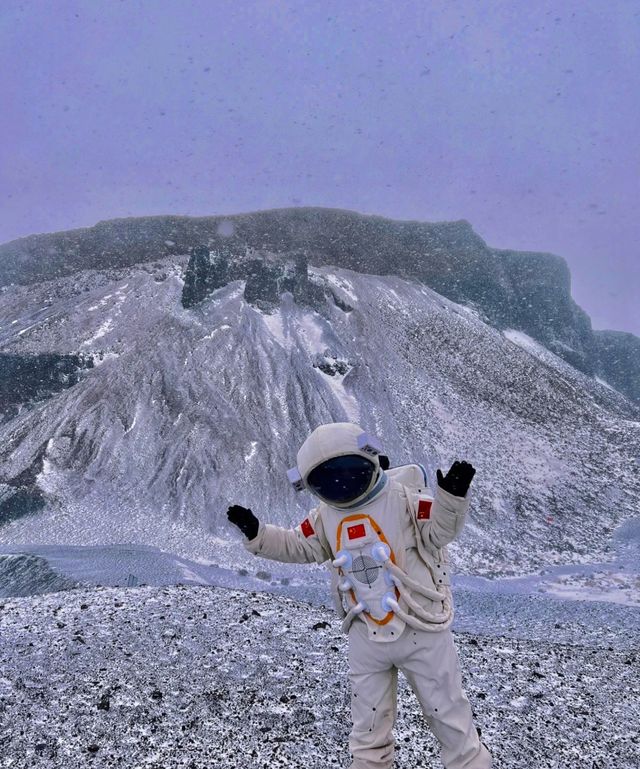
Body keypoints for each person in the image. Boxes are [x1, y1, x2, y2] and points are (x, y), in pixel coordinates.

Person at [227, 421, 493, 769]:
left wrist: (450, 499)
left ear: (370, 461)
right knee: (367, 726)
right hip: (366, 636)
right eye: (329, 480)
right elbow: (297, 544)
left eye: (348, 473)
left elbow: (438, 532)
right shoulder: (325, 517)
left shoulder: (404, 498)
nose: (341, 484)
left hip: (421, 628)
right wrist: (258, 534)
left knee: (448, 713)